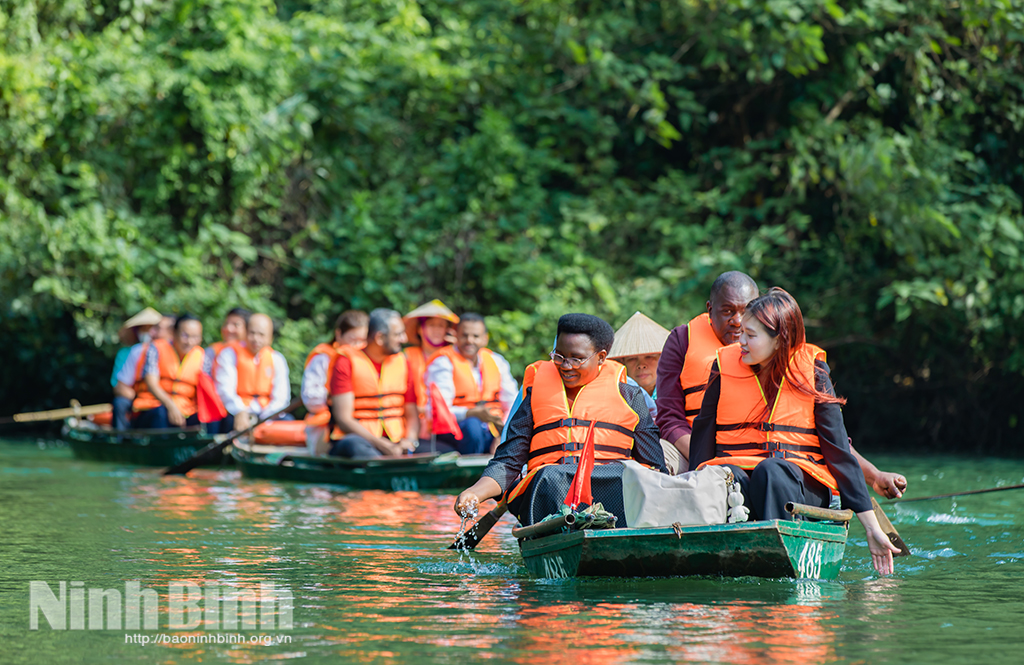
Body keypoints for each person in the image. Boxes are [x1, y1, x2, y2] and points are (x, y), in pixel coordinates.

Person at [689, 287, 901, 575]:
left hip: (799, 484)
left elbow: (838, 452)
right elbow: (703, 436)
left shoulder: (812, 371)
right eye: (742, 333)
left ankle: (773, 565)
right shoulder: (723, 366)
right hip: (743, 481)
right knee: (728, 478)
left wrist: (871, 527)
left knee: (770, 471)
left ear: (779, 340)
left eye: (751, 336)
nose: (741, 341)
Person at [656, 271, 908, 497]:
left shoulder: (783, 357)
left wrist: (873, 475)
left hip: (769, 461)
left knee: (771, 472)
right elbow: (668, 418)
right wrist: (709, 465)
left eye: (746, 313)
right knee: (660, 457)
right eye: (727, 311)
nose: (737, 321)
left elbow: (821, 435)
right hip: (695, 452)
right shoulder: (682, 340)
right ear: (710, 309)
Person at [454, 313, 667, 527]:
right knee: (551, 476)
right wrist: (475, 492)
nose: (566, 366)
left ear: (601, 357)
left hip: (614, 498)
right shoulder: (535, 396)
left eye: (577, 358)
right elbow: (508, 462)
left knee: (627, 475)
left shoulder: (631, 396)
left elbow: (654, 469)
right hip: (549, 495)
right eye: (560, 356)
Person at [328, 308, 420, 458]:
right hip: (361, 440)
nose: (404, 339)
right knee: (354, 445)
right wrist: (382, 445)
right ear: (379, 338)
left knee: (439, 448)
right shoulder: (345, 362)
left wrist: (409, 441)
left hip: (396, 441)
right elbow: (344, 419)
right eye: (398, 334)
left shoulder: (403, 362)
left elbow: (412, 414)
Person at [424, 313, 518, 455]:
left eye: (475, 336)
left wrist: (503, 434)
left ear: (485, 338)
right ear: (456, 336)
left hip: (493, 429)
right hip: (458, 430)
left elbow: (513, 402)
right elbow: (437, 412)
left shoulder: (497, 361)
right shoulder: (443, 363)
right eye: (464, 335)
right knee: (472, 426)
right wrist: (471, 413)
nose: (469, 341)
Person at [607, 311, 681, 472]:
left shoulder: (676, 387)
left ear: (662, 358)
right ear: (623, 362)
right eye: (632, 359)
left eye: (649, 357)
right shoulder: (618, 391)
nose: (641, 365)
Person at [302, 310, 369, 455]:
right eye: (353, 340)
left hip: (359, 423)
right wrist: (337, 396)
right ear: (339, 334)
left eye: (362, 341)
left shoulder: (365, 362)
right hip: (326, 426)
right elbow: (310, 397)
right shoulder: (323, 358)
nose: (357, 345)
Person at [214, 313, 291, 433]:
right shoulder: (229, 354)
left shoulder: (277, 359)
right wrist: (240, 411)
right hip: (238, 411)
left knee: (288, 422)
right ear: (245, 332)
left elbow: (281, 398)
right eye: (252, 333)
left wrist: (265, 419)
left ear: (270, 338)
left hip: (268, 414)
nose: (256, 339)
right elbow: (225, 390)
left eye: (261, 335)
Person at [131, 314, 205, 429]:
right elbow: (151, 384)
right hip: (153, 406)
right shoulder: (156, 348)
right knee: (160, 414)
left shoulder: (203, 357)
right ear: (174, 333)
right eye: (185, 335)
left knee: (207, 419)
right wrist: (171, 406)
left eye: (195, 337)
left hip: (186, 410)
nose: (190, 342)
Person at [402, 299, 459, 434]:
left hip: (449, 420)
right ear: (420, 329)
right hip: (413, 418)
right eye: (432, 325)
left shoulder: (455, 356)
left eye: (441, 326)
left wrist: (457, 348)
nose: (437, 330)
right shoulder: (406, 356)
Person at [113, 313, 175, 430]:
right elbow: (120, 386)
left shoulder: (184, 354)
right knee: (120, 403)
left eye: (157, 328)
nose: (151, 332)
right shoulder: (137, 351)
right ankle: (122, 440)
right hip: (144, 402)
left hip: (172, 403)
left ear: (173, 332)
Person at [204, 307, 251, 376]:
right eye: (226, 324)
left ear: (248, 329)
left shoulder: (256, 356)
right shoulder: (211, 352)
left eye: (236, 325)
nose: (228, 329)